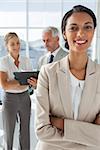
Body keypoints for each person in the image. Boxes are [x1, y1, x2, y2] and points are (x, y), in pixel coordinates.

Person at [35, 5, 100, 150]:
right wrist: (89, 137)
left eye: (87, 27)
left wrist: (59, 123)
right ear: (64, 33)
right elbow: (42, 130)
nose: (80, 33)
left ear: (93, 32)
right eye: (73, 28)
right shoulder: (48, 72)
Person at [0, 32, 32, 150]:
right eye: (12, 44)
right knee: (9, 132)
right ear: (7, 46)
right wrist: (22, 81)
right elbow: (4, 85)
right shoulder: (3, 61)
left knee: (25, 132)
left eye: (18, 43)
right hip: (10, 99)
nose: (16, 46)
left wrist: (16, 82)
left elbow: (30, 81)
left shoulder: (26, 60)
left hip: (25, 97)